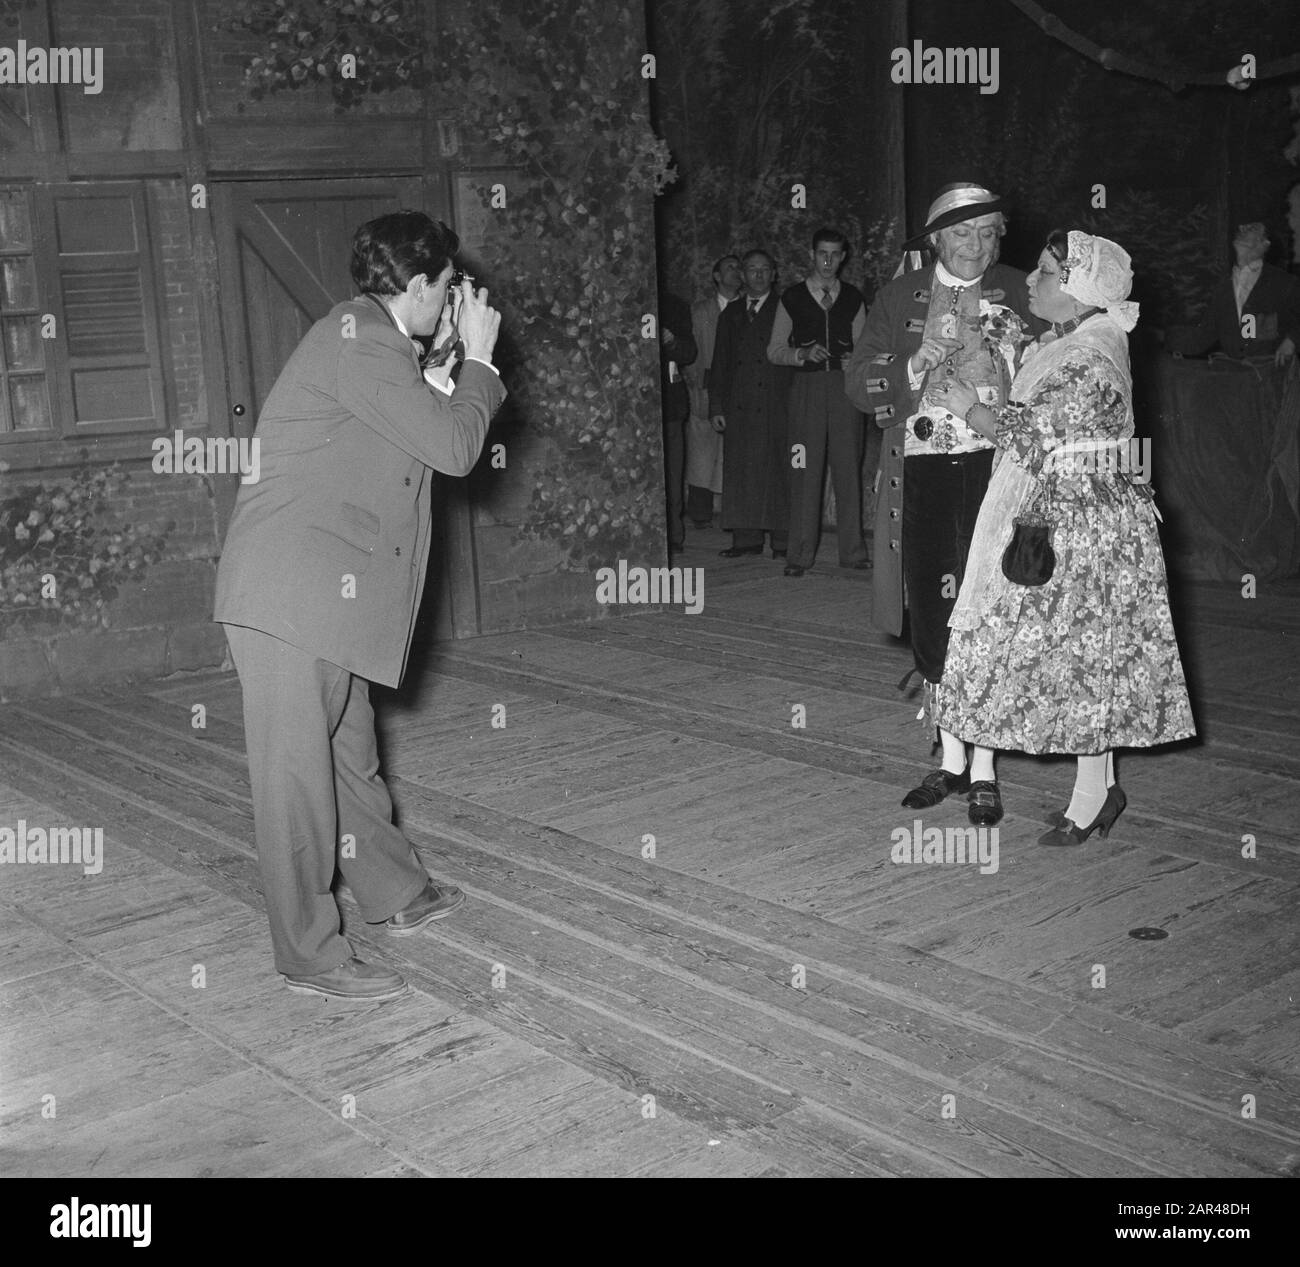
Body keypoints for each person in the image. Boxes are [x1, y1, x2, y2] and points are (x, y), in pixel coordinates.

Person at [213, 211, 506, 1000]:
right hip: (288, 598)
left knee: (348, 753)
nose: (452, 306)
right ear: (415, 287)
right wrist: (480, 358)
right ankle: (307, 954)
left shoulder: (369, 339)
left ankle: (394, 892)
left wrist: (447, 364)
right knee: (297, 782)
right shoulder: (360, 338)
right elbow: (452, 447)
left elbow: (411, 430)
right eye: (447, 292)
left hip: (322, 598)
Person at [938, 230, 1195, 845]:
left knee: (1085, 654)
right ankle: (1095, 791)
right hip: (1074, 508)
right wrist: (1012, 347)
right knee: (1087, 656)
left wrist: (965, 404)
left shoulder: (1088, 358)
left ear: (1079, 291)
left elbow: (1031, 435)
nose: (1031, 279)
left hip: (1085, 523)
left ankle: (1092, 795)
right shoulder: (1077, 338)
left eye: (1046, 273)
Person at [845, 182, 1038, 825]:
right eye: (962, 235)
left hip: (996, 469)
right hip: (919, 472)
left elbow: (1047, 382)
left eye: (988, 234)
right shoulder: (901, 294)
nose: (977, 248)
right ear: (935, 241)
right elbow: (857, 379)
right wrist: (906, 370)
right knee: (933, 605)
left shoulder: (1024, 287)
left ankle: (984, 768)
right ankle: (951, 759)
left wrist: (1011, 359)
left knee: (986, 608)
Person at [767, 228, 871, 576]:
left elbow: (866, 350)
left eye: (835, 254)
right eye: (822, 253)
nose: (828, 261)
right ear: (812, 254)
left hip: (845, 393)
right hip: (807, 392)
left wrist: (854, 361)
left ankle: (853, 552)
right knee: (804, 471)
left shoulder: (855, 298)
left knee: (848, 471)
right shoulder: (792, 298)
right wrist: (802, 353)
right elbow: (774, 350)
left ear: (843, 257)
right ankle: (798, 555)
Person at [709, 249, 794, 559]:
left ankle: (783, 541)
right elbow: (719, 363)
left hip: (776, 402)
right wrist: (717, 406)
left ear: (773, 274)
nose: (758, 275)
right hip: (740, 404)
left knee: (779, 471)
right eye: (751, 269)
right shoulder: (730, 314)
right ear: (742, 275)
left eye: (764, 269)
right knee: (741, 471)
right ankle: (745, 538)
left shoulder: (787, 309)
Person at [1166, 221, 1300, 365]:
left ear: (1264, 244)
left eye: (1251, 228)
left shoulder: (1284, 283)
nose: (1242, 228)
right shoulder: (1223, 288)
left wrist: (1291, 341)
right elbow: (1202, 336)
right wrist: (1163, 337)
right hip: (1234, 379)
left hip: (1273, 377)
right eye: (1241, 227)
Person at [686, 254, 742, 528]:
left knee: (734, 454)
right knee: (701, 454)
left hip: (738, 392)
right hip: (705, 389)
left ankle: (735, 516)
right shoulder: (700, 312)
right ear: (717, 277)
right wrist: (697, 383)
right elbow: (692, 352)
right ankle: (700, 515)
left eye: (738, 267)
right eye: (728, 268)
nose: (735, 272)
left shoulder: (748, 310)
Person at [658, 289, 698, 555]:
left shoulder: (673, 304)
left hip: (669, 404)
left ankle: (673, 535)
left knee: (672, 472)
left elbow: (689, 352)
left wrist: (671, 341)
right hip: (626, 410)